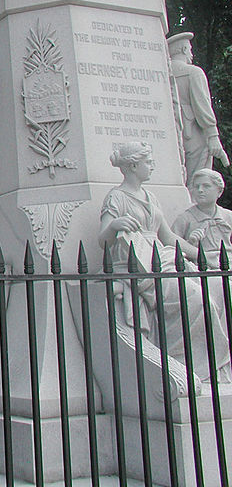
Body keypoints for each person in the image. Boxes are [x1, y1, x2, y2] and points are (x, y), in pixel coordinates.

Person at [99, 142, 230, 381]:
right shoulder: (116, 197)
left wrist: (203, 259)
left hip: (161, 259)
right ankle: (182, 364)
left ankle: (203, 365)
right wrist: (115, 226)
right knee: (200, 303)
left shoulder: (151, 197)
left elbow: (169, 238)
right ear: (133, 165)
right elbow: (103, 240)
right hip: (139, 264)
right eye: (148, 162)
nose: (152, 166)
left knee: (214, 292)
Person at [168, 32, 230, 183]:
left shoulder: (163, 73)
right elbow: (202, 106)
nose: (192, 54)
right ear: (183, 49)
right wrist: (212, 135)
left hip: (171, 133)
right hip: (194, 132)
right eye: (189, 49)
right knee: (198, 179)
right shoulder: (194, 72)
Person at [172, 168, 232, 267]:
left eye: (206, 186)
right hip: (202, 266)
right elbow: (172, 247)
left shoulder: (228, 216)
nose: (200, 190)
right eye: (196, 186)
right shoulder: (185, 218)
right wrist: (190, 243)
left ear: (219, 191)